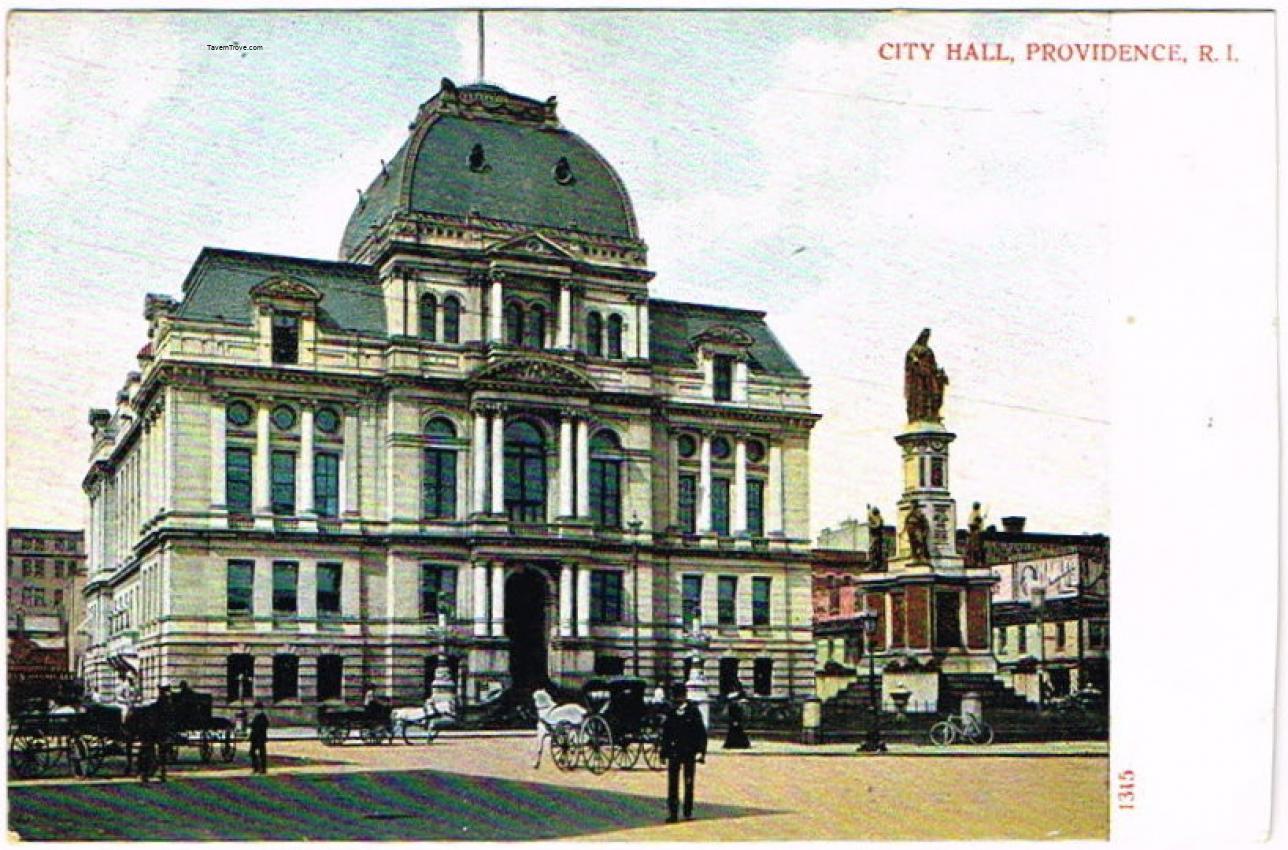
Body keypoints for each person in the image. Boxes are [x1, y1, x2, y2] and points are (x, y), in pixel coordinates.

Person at [660, 683, 707, 823]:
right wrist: (663, 752)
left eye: (679, 696)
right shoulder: (671, 712)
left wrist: (701, 751)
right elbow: (666, 734)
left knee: (688, 781)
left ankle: (687, 811)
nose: (677, 699)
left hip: (688, 751)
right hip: (674, 751)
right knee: (672, 783)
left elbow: (700, 732)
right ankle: (673, 813)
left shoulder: (693, 711)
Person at [722, 685, 751, 750]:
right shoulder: (733, 705)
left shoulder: (734, 705)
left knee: (736, 732)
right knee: (737, 733)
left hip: (734, 721)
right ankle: (740, 744)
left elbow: (735, 713)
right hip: (734, 721)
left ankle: (737, 744)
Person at [249, 701, 269, 775]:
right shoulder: (256, 717)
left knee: (261, 754)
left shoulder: (262, 717)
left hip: (260, 738)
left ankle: (262, 769)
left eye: (256, 709)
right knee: (252, 753)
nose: (255, 711)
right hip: (255, 738)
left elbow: (262, 727)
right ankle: (256, 768)